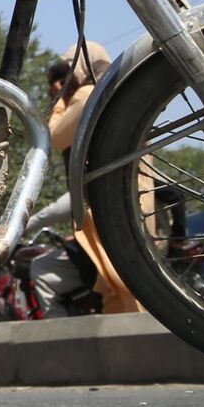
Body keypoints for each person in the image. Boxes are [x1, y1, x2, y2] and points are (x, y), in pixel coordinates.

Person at [47, 41, 143, 315]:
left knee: (117, 280)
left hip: (108, 202)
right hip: (134, 193)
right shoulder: (120, 88)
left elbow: (54, 136)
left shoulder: (89, 93)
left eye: (66, 75)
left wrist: (59, 101)